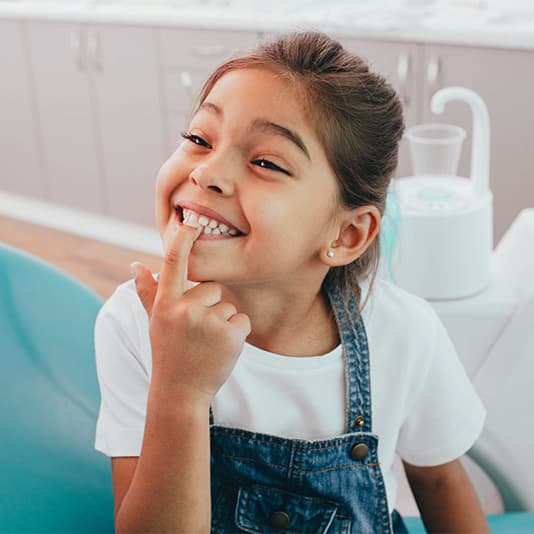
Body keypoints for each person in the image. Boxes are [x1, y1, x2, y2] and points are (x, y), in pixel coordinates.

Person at [94, 31, 489, 533]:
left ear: (346, 234)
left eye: (266, 162)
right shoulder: (133, 323)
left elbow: (439, 482)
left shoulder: (406, 332)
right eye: (199, 139)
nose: (207, 173)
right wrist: (180, 390)